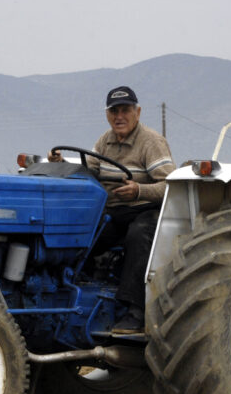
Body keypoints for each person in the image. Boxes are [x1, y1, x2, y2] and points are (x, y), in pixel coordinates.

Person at [50, 85, 175, 333]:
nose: (120, 116)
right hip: (114, 211)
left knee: (138, 234)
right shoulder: (104, 141)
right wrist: (61, 164)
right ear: (107, 115)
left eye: (125, 110)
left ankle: (135, 311)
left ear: (137, 112)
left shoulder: (151, 142)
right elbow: (91, 171)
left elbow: (171, 186)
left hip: (145, 209)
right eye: (114, 111)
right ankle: (68, 292)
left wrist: (139, 190)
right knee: (80, 232)